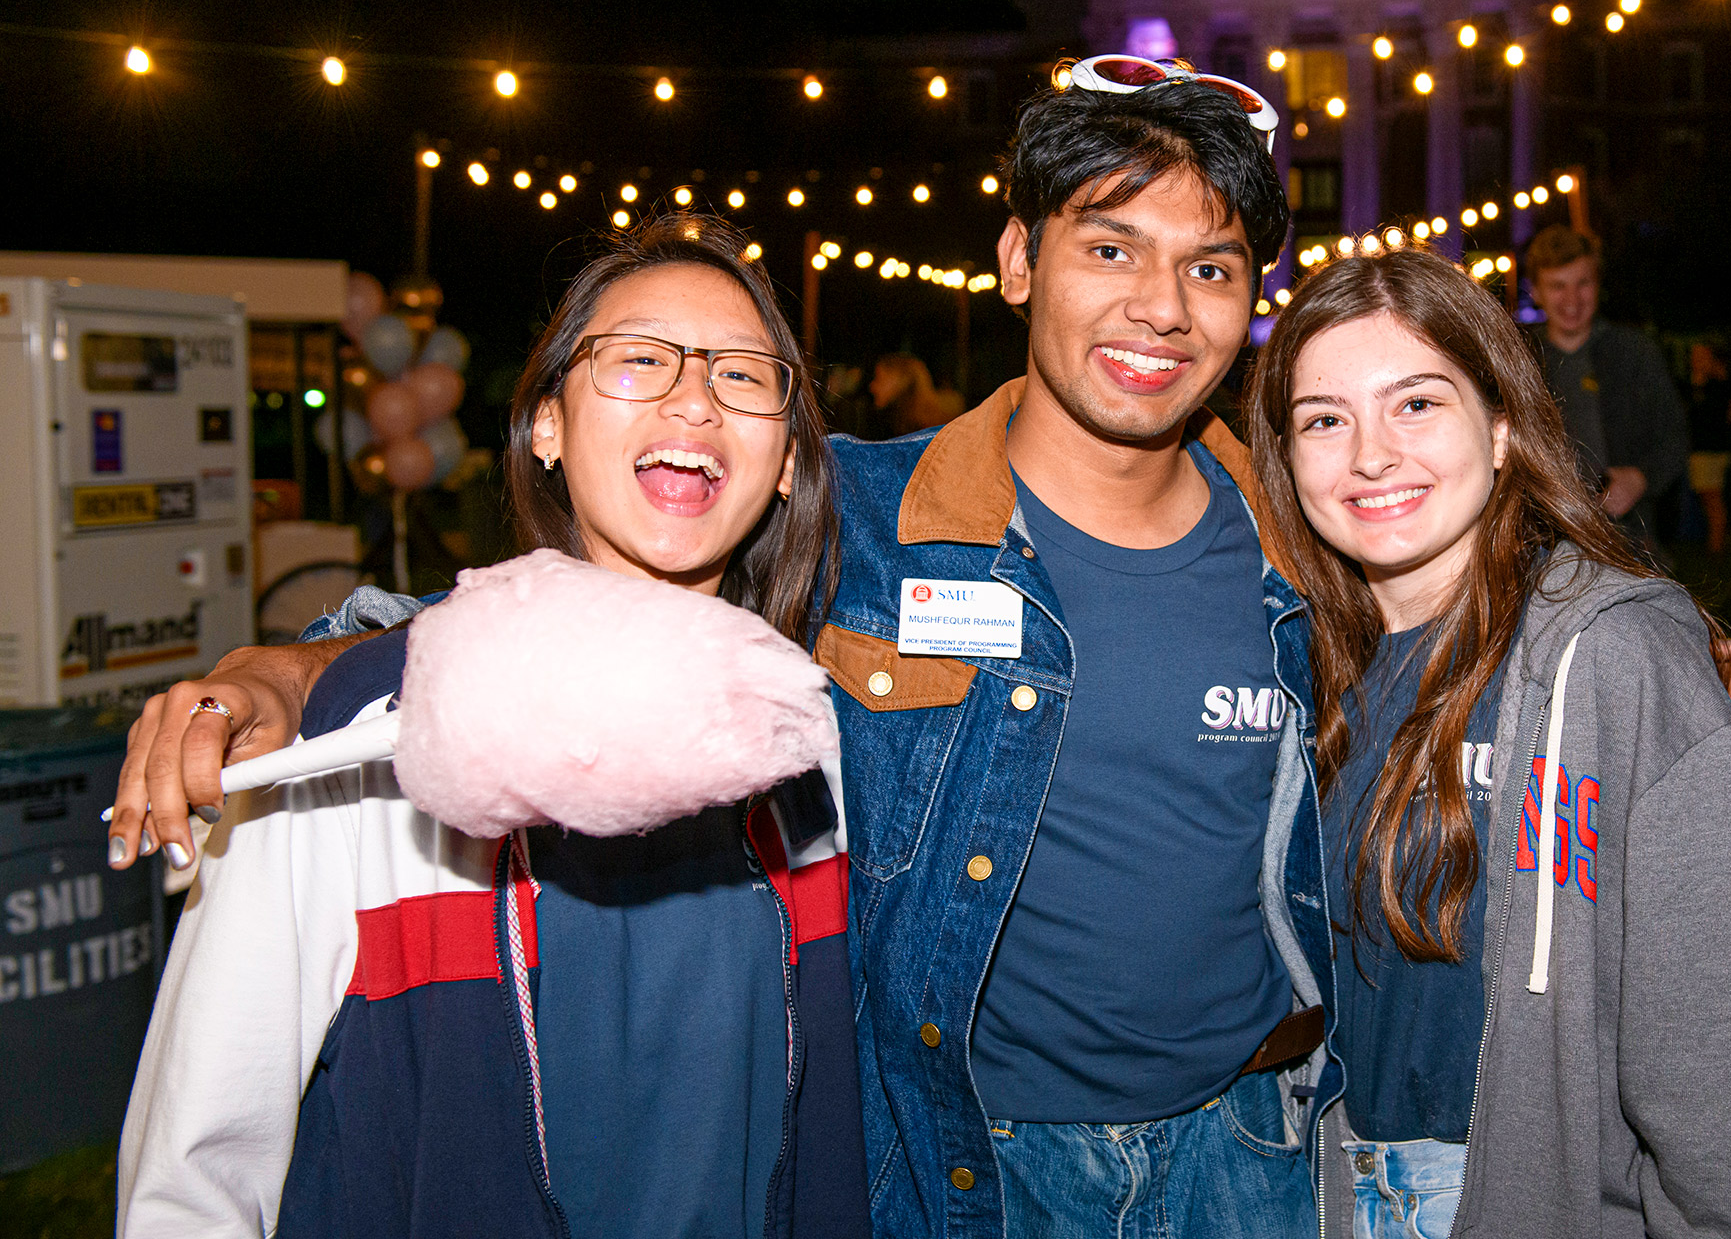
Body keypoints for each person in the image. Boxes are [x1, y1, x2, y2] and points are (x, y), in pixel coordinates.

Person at [111, 66, 1339, 1238]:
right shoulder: (869, 522)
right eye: (1110, 246)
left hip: (1244, 1153)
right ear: (1019, 261)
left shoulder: (1307, 552)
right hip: (967, 1162)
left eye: (1211, 265)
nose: (1160, 307)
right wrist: (288, 672)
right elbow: (558, 612)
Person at [114, 216, 870, 1237]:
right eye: (639, 358)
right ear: (546, 424)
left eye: (743, 375)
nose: (693, 397)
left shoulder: (818, 757)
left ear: (784, 461)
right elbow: (197, 1167)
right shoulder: (359, 741)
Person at [1245, 248, 1731, 1237]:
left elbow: (1719, 1049)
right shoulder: (1297, 664)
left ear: (1504, 425)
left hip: (1509, 1194)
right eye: (1322, 418)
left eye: (1417, 403)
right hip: (1315, 1188)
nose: (1369, 453)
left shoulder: (1614, 661)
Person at [1524, 226, 1688, 553]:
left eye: (1583, 283)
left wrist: (1641, 478)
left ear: (1597, 285)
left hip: (1628, 542)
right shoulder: (1520, 358)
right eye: (1558, 286)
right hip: (1541, 546)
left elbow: (1675, 437)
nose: (1572, 299)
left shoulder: (1636, 353)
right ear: (1536, 292)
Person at [1684, 340, 1731, 554]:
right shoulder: (1693, 386)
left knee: (1713, 500)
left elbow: (1723, 417)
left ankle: (1716, 550)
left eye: (1702, 357)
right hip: (1701, 451)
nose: (1696, 361)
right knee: (1708, 499)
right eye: (1694, 356)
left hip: (1711, 451)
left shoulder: (1717, 386)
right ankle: (1715, 546)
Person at [866, 352, 965, 438]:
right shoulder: (901, 420)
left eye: (879, 379)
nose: (872, 387)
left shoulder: (931, 425)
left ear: (898, 380)